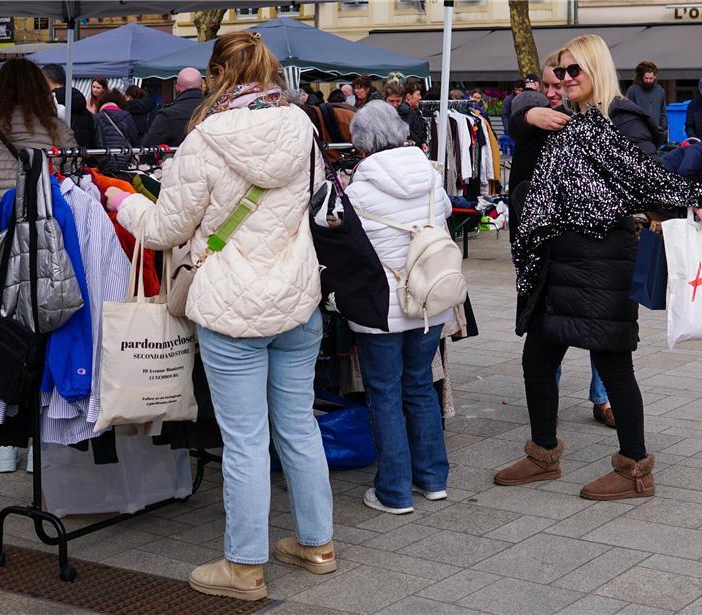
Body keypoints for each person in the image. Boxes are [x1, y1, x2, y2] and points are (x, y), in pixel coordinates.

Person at [109, 31, 335, 601]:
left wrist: (123, 202)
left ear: (216, 74)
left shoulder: (205, 140)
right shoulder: (303, 127)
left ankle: (245, 567)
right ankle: (318, 543)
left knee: (245, 440)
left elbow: (165, 230)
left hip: (232, 306)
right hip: (297, 298)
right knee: (299, 427)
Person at [495, 34, 702, 501]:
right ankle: (543, 453)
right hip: (559, 258)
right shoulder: (574, 120)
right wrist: (525, 113)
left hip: (603, 260)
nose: (563, 80)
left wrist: (697, 200)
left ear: (594, 69)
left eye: (572, 71)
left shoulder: (620, 117)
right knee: (538, 357)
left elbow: (649, 174)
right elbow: (520, 120)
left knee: (612, 361)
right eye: (559, 73)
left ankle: (635, 468)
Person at [0, 58, 76, 473]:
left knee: (1, 343)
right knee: (45, 342)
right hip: (46, 253)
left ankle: (5, 444)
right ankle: (40, 440)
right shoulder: (57, 133)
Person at [344, 100, 451, 515]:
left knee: (384, 393)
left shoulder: (356, 190)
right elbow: (441, 222)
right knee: (420, 385)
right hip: (429, 299)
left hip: (380, 305)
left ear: (362, 145)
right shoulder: (431, 178)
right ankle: (433, 479)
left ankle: (394, 491)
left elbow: (353, 249)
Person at [506, 51, 615, 429]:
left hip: (581, 246)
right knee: (544, 329)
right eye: (548, 84)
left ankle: (602, 398)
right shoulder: (533, 116)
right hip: (536, 245)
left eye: (560, 83)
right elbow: (514, 117)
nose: (553, 92)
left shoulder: (586, 121)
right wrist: (527, 114)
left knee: (598, 327)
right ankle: (546, 405)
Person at [141, 67, 204, 147]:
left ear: (177, 87)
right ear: (201, 87)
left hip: (178, 158)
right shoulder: (217, 111)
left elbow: (147, 149)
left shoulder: (167, 115)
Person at [41, 63, 96, 147]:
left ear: (46, 80)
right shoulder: (82, 106)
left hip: (60, 155)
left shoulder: (51, 102)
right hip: (83, 155)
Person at [93, 90, 138, 172]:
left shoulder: (97, 117)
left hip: (104, 162)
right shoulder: (126, 116)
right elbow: (134, 138)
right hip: (125, 160)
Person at [625, 61, 668, 143]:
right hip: (638, 133)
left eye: (651, 78)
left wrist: (663, 130)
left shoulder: (660, 91)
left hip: (655, 133)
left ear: (655, 77)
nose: (648, 81)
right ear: (642, 77)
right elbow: (627, 112)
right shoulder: (633, 90)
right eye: (646, 78)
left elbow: (663, 113)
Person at [400, 81, 428, 151]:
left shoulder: (416, 112)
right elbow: (407, 133)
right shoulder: (405, 112)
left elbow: (418, 132)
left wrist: (423, 143)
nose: (420, 97)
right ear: (409, 96)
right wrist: (419, 142)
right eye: (418, 95)